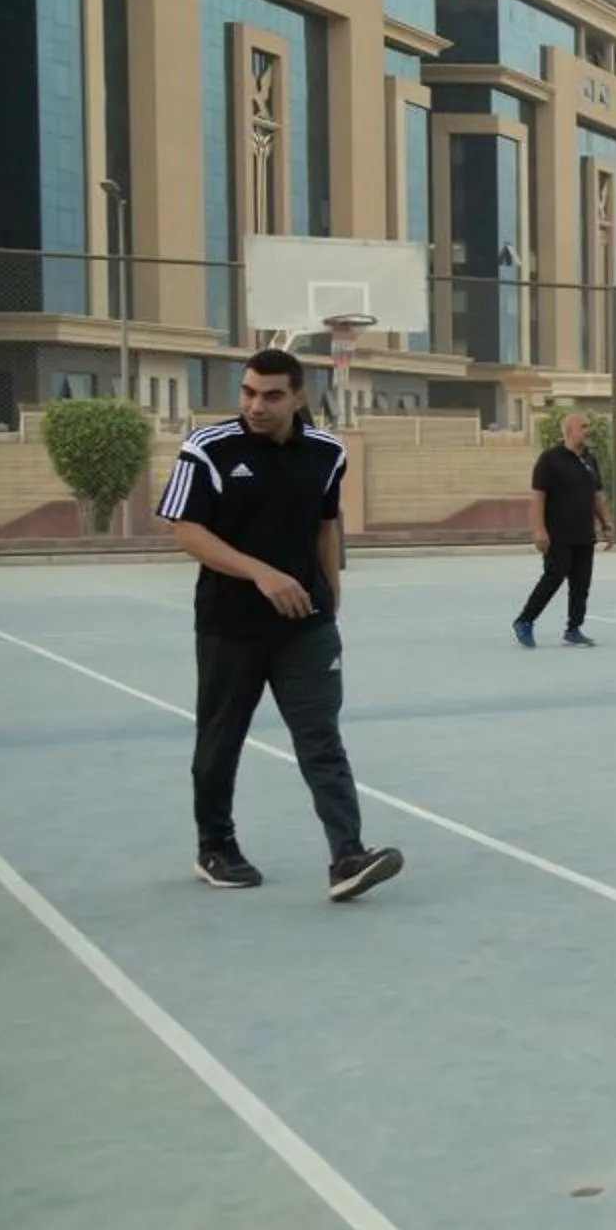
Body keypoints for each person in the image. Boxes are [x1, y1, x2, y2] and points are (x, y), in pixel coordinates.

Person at [158, 348, 405, 900]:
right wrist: (261, 574)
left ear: (297, 397)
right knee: (220, 742)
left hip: (305, 628)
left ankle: (347, 857)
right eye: (247, 392)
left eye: (271, 395)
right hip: (230, 626)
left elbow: (325, 525)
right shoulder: (207, 449)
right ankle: (215, 846)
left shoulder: (327, 454)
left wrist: (332, 593)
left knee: (321, 739)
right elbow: (186, 532)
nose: (256, 405)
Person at [515, 412, 614, 647]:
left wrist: (606, 524)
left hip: (583, 533)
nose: (588, 430)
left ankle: (574, 628)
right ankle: (524, 621)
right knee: (553, 577)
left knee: (581, 583)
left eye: (588, 426)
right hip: (557, 534)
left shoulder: (590, 460)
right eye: (583, 426)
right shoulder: (550, 459)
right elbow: (538, 497)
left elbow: (596, 496)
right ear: (569, 431)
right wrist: (538, 531)